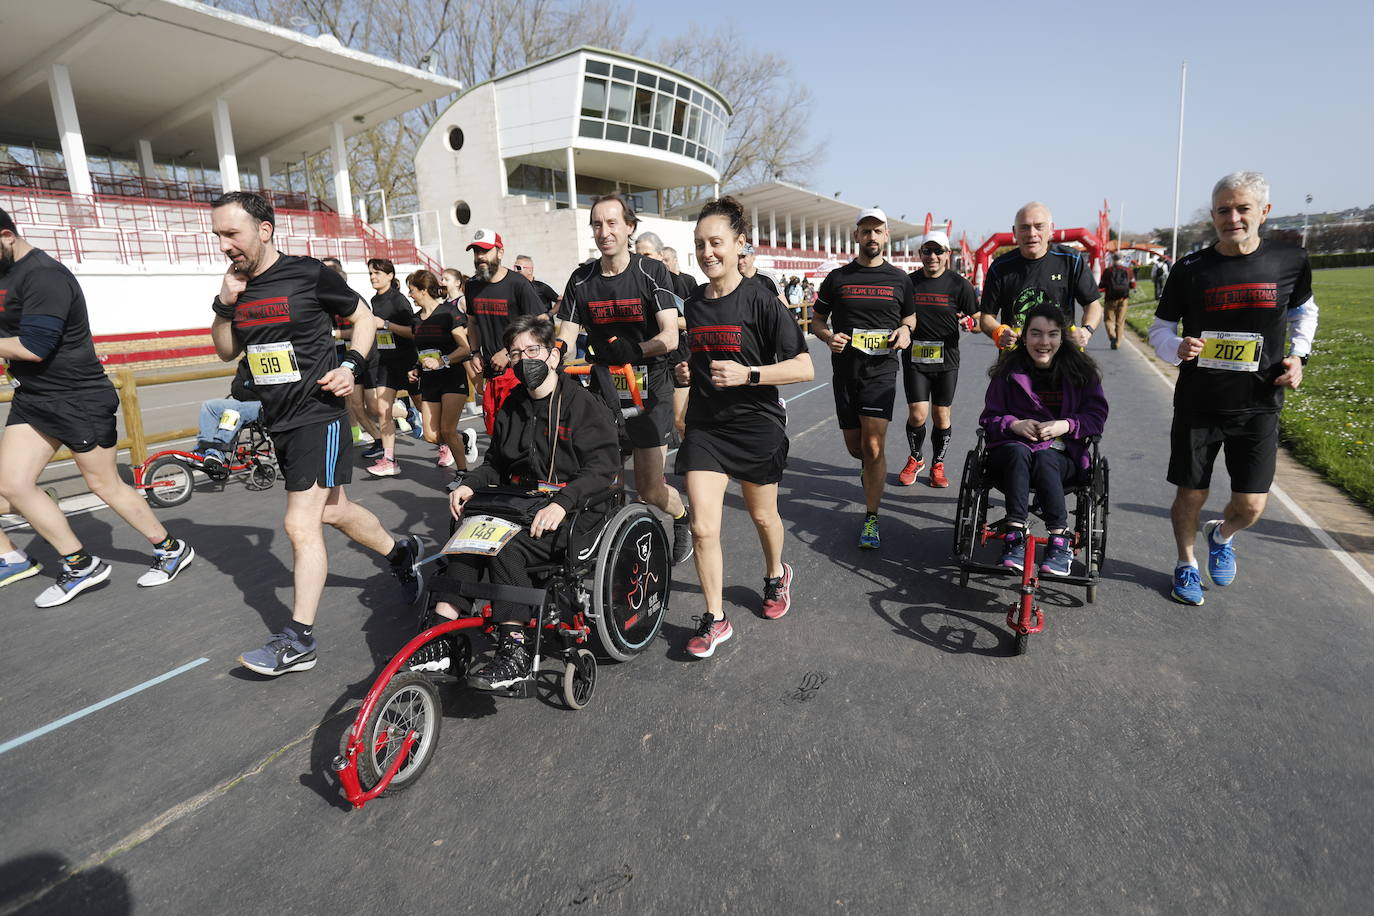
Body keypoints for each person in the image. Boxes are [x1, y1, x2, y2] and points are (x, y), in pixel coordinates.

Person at [207, 191, 423, 676]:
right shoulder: (236, 286)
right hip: (277, 418)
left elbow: (363, 317)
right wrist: (223, 304)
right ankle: (400, 551)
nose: (225, 245)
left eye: (232, 234)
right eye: (218, 235)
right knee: (334, 510)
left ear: (264, 230)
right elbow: (225, 350)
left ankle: (298, 639)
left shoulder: (308, 273)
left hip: (318, 413)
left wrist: (351, 365)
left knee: (299, 522)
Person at [0, 207, 195, 606]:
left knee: (104, 483)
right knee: (11, 483)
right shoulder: (6, 272)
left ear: (6, 236)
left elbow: (34, 348)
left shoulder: (44, 276)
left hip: (78, 398)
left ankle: (171, 549)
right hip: (35, 398)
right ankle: (80, 564)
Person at [1148, 171, 1317, 606]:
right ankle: (1186, 564)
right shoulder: (1189, 270)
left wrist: (1299, 356)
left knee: (1252, 507)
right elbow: (1160, 329)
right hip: (1199, 402)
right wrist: (1177, 347)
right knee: (1192, 493)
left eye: (1243, 208)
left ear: (1264, 212)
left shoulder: (1290, 261)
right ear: (1213, 215)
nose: (1233, 218)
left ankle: (1221, 535)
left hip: (1259, 404)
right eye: (1224, 210)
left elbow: (1304, 312)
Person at [436, 315, 620, 689]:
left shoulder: (584, 405)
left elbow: (603, 469)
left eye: (532, 351)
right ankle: (443, 638)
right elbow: (496, 464)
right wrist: (470, 484)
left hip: (578, 509)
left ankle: (515, 651)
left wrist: (563, 502)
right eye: (516, 353)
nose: (524, 360)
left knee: (507, 548)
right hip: (523, 503)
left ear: (553, 356)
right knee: (466, 538)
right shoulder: (512, 406)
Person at [673, 197, 814, 658]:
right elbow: (693, 361)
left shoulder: (762, 300)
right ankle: (715, 619)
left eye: (716, 242)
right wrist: (684, 375)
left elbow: (804, 367)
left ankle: (776, 573)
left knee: (762, 515)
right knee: (703, 527)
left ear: (738, 245)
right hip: (707, 428)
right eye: (700, 244)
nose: (707, 252)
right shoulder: (692, 305)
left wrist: (749, 374)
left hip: (756, 425)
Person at [556, 193, 693, 564]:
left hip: (650, 384)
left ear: (629, 227)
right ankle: (610, 546)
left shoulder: (651, 271)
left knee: (649, 488)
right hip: (604, 387)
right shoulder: (582, 278)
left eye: (612, 223)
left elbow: (670, 334)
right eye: (597, 224)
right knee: (602, 476)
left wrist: (637, 350)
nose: (604, 231)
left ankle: (681, 519)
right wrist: (551, 357)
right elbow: (566, 337)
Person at [810, 207, 917, 549]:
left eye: (878, 231)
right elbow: (816, 321)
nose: (872, 237)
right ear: (856, 236)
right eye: (865, 231)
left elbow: (911, 318)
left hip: (881, 371)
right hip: (846, 372)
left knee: (873, 446)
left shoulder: (900, 279)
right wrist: (828, 337)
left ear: (886, 236)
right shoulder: (838, 278)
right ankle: (870, 471)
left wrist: (905, 330)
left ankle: (871, 517)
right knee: (857, 448)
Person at [980, 302, 1109, 574]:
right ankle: (1014, 535)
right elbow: (989, 417)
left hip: (1061, 455)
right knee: (1019, 451)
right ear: (1024, 336)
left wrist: (1065, 425)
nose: (1044, 342)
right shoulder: (1008, 372)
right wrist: (1013, 424)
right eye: (1036, 333)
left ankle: (1059, 538)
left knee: (1045, 455)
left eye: (1052, 334)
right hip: (1011, 454)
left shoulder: (1081, 372)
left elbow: (1096, 417)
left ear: (1062, 337)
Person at [899, 229, 979, 488]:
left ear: (947, 255)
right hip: (916, 359)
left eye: (938, 251)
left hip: (947, 361)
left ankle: (938, 464)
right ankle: (916, 457)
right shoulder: (908, 282)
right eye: (927, 251)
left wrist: (970, 321)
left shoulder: (959, 284)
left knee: (941, 416)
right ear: (920, 254)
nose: (932, 256)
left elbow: (979, 319)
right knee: (918, 415)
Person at [979, 202, 1103, 351]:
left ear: (1051, 230)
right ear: (1014, 232)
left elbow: (1093, 305)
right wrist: (999, 332)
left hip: (1062, 355)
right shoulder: (999, 267)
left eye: (1039, 226)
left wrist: (1085, 331)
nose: (1032, 233)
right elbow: (986, 318)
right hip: (1017, 358)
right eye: (1024, 227)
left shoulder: (1071, 260)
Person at [462, 228, 547, 434]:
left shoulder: (517, 284)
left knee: (520, 432)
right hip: (491, 374)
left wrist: (510, 352)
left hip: (520, 372)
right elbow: (472, 323)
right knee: (496, 432)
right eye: (476, 252)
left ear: (500, 252)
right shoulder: (472, 286)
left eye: (485, 251)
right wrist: (475, 352)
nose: (480, 257)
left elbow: (543, 322)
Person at [406, 268, 473, 473]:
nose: (410, 295)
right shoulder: (416, 320)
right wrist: (416, 368)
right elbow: (423, 350)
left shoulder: (448, 313)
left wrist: (443, 360)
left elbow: (464, 349)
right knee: (431, 436)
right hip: (429, 381)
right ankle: (464, 438)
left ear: (424, 290)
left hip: (452, 378)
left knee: (446, 429)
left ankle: (463, 473)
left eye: (412, 290)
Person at [362, 257, 419, 477]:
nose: (373, 277)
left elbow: (412, 332)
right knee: (383, 411)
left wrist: (385, 324)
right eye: (370, 274)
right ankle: (389, 459)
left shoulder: (399, 301)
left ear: (390, 275)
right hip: (386, 362)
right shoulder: (374, 300)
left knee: (425, 410)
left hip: (407, 362)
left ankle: (448, 444)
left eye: (377, 273)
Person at [189, 359, 262, 476]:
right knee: (209, 406)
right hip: (242, 402)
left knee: (234, 411)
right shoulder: (245, 362)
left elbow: (268, 390)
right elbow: (236, 389)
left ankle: (217, 452)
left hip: (263, 404)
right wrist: (252, 387)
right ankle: (203, 448)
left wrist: (247, 386)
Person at [442, 267, 482, 417]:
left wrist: (457, 333)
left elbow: (474, 324)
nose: (442, 282)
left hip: (467, 350)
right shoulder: (444, 303)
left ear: (458, 282)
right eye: (442, 279)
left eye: (446, 279)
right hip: (452, 352)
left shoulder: (463, 300)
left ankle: (494, 412)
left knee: (479, 387)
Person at [1098, 254, 1136, 350]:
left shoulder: (1108, 271)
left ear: (1113, 259)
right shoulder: (1128, 270)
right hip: (1123, 299)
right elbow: (1133, 284)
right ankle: (1118, 343)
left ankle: (1112, 336)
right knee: (1120, 322)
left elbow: (1101, 285)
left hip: (1110, 299)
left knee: (1108, 320)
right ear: (1122, 259)